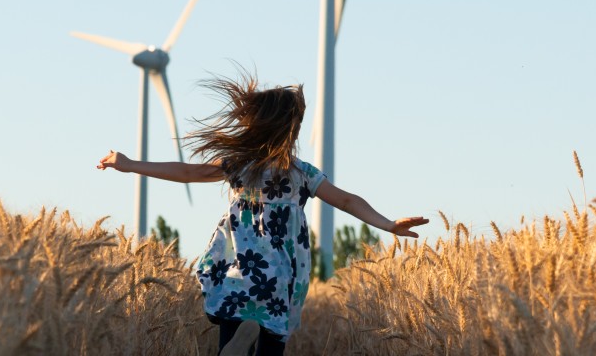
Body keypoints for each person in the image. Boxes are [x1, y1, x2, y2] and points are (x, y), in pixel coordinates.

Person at [96, 75, 428, 355]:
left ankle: (238, 340)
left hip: (238, 267)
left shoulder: (239, 165)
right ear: (291, 131)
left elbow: (188, 172)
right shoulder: (302, 174)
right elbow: (346, 201)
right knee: (272, 339)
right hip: (279, 274)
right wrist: (387, 224)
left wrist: (129, 164)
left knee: (231, 318)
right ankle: (253, 333)